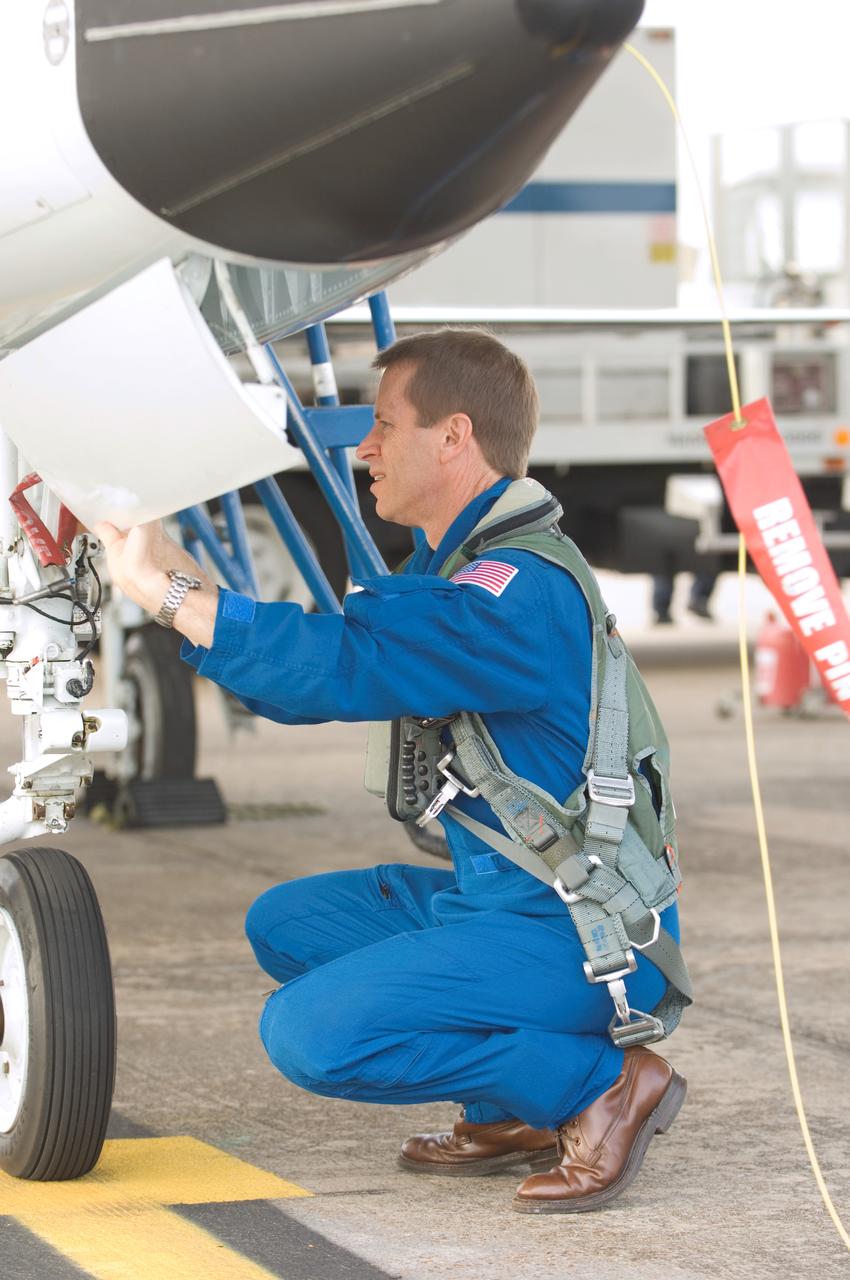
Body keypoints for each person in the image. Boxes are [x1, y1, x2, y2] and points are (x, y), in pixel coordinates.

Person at [96, 329, 686, 1215]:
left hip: (580, 933)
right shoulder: (462, 569)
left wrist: (170, 597)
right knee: (285, 924)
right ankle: (510, 1108)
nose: (364, 449)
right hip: (508, 906)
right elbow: (327, 672)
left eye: (383, 426)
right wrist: (180, 587)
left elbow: (348, 663)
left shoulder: (514, 588)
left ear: (453, 438)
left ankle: (594, 1086)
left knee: (310, 1034)